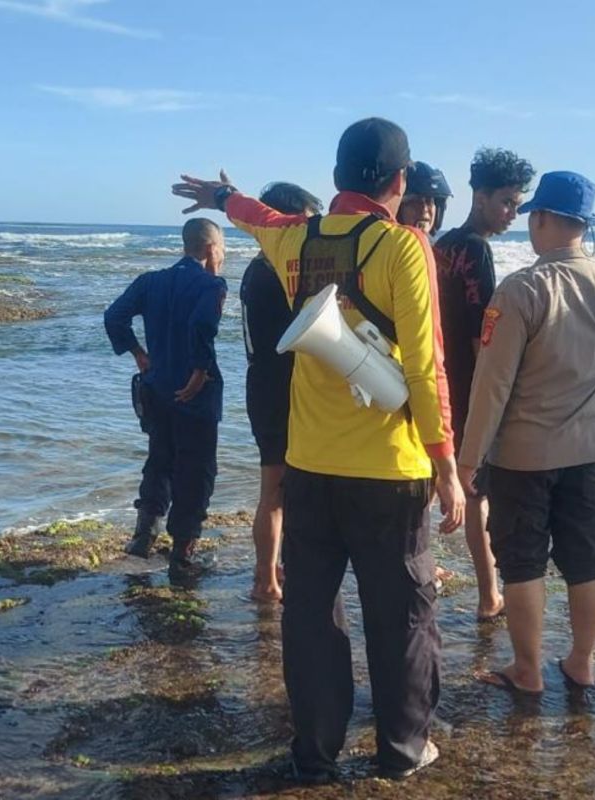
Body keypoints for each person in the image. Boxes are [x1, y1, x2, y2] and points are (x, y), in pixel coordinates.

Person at [171, 117, 465, 781]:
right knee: (404, 618)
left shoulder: (297, 239)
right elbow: (426, 364)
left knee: (310, 614)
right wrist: (446, 463)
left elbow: (253, 215)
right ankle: (403, 749)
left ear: (335, 178)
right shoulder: (404, 247)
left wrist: (219, 199)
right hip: (390, 472)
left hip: (307, 466)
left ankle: (316, 749)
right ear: (398, 181)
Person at [458, 171, 595, 694]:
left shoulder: (521, 290)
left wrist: (467, 460)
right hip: (587, 452)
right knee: (586, 558)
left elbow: (492, 385)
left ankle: (528, 670)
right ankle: (582, 661)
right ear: (584, 226)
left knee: (522, 561)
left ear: (541, 220)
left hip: (522, 456)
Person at [435, 147, 536, 622]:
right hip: (465, 390)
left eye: (517, 204)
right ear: (478, 196)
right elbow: (483, 339)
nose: (513, 213)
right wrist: (491, 402)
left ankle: (431, 571)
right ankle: (487, 593)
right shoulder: (474, 250)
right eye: (506, 202)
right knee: (476, 494)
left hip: (436, 384)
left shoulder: (443, 244)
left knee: (444, 486)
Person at [104, 218, 228, 578]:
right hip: (195, 390)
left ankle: (143, 536)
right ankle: (182, 554)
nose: (223, 254)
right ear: (210, 249)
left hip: (156, 386)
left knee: (160, 457)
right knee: (197, 470)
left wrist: (138, 353)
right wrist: (201, 369)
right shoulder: (211, 285)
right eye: (221, 247)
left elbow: (114, 317)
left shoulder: (151, 281)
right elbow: (203, 325)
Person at [240, 182, 323, 603]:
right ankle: (265, 578)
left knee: (277, 489)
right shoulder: (274, 273)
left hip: (262, 385)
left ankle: (273, 571)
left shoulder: (259, 269)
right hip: (280, 390)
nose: (307, 231)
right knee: (275, 491)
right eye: (303, 221)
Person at [397, 161, 452, 237]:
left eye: (429, 201)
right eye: (415, 201)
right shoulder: (388, 247)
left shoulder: (444, 248)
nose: (424, 209)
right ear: (399, 209)